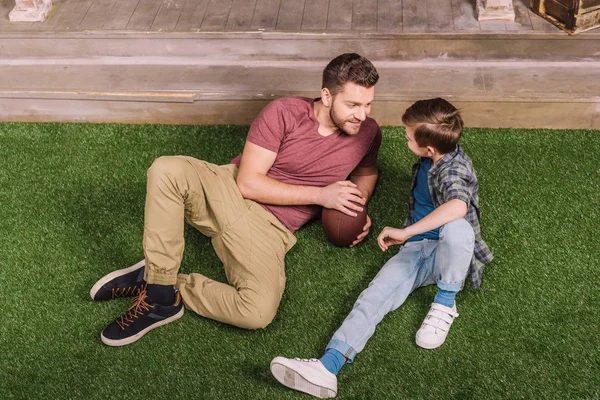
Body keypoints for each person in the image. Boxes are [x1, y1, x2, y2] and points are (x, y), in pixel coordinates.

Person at [89, 53, 382, 347]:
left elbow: (367, 171)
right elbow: (248, 183)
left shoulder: (367, 132)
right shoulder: (285, 112)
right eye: (353, 105)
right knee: (166, 170)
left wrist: (357, 202)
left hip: (271, 228)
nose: (362, 114)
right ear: (327, 96)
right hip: (227, 191)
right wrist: (322, 195)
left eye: (368, 104)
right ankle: (160, 297)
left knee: (257, 311)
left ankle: (160, 281)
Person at [270, 98, 494, 398]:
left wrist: (405, 231)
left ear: (429, 148)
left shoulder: (454, 169)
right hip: (417, 251)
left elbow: (456, 206)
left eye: (408, 134)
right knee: (372, 296)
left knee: (457, 227)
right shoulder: (432, 158)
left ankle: (445, 301)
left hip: (450, 256)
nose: (403, 135)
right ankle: (328, 367)